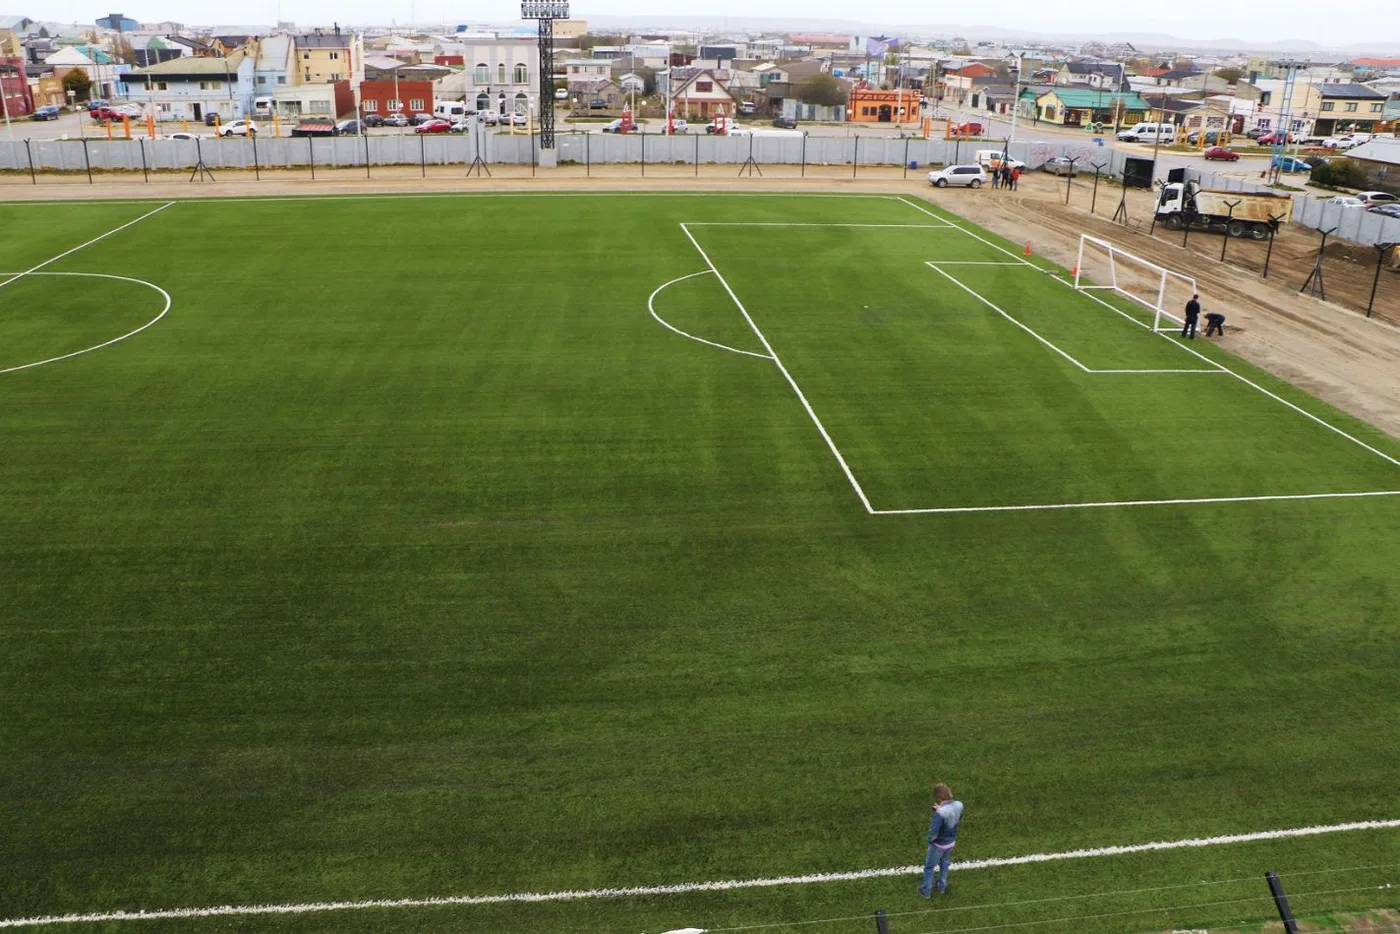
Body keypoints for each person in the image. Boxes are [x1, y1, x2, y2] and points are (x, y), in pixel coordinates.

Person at [919, 783, 964, 898]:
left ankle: (926, 891)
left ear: (939, 798)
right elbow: (957, 817)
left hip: (938, 845)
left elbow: (934, 831)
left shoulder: (940, 813)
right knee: (944, 864)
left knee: (929, 868)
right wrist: (941, 810)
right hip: (951, 842)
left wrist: (930, 840)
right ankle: (942, 887)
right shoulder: (959, 805)